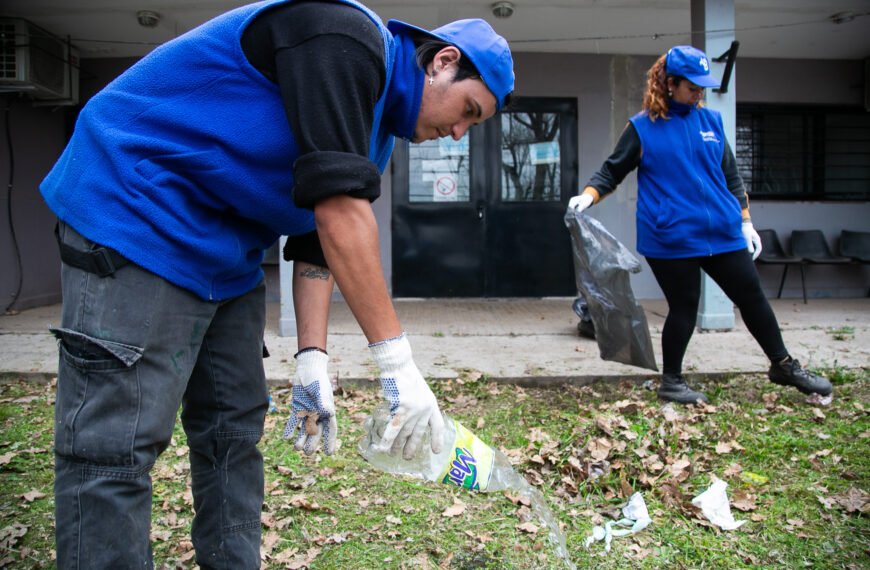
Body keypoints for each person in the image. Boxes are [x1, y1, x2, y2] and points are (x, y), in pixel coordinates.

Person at [40, 0, 514, 566]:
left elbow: (319, 239)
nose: (458, 133)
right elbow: (341, 212)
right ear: (442, 61)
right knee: (114, 447)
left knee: (233, 433)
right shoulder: (344, 38)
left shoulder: (376, 127)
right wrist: (397, 365)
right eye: (468, 111)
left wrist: (311, 359)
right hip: (135, 211)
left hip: (225, 246)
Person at [570, 45, 831, 405]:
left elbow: (731, 175)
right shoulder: (643, 128)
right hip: (671, 237)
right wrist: (589, 196)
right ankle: (672, 382)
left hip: (722, 232)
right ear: (670, 83)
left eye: (702, 87)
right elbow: (612, 170)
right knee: (685, 308)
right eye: (692, 86)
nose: (699, 93)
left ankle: (783, 365)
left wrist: (745, 222)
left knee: (752, 297)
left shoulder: (711, 122)